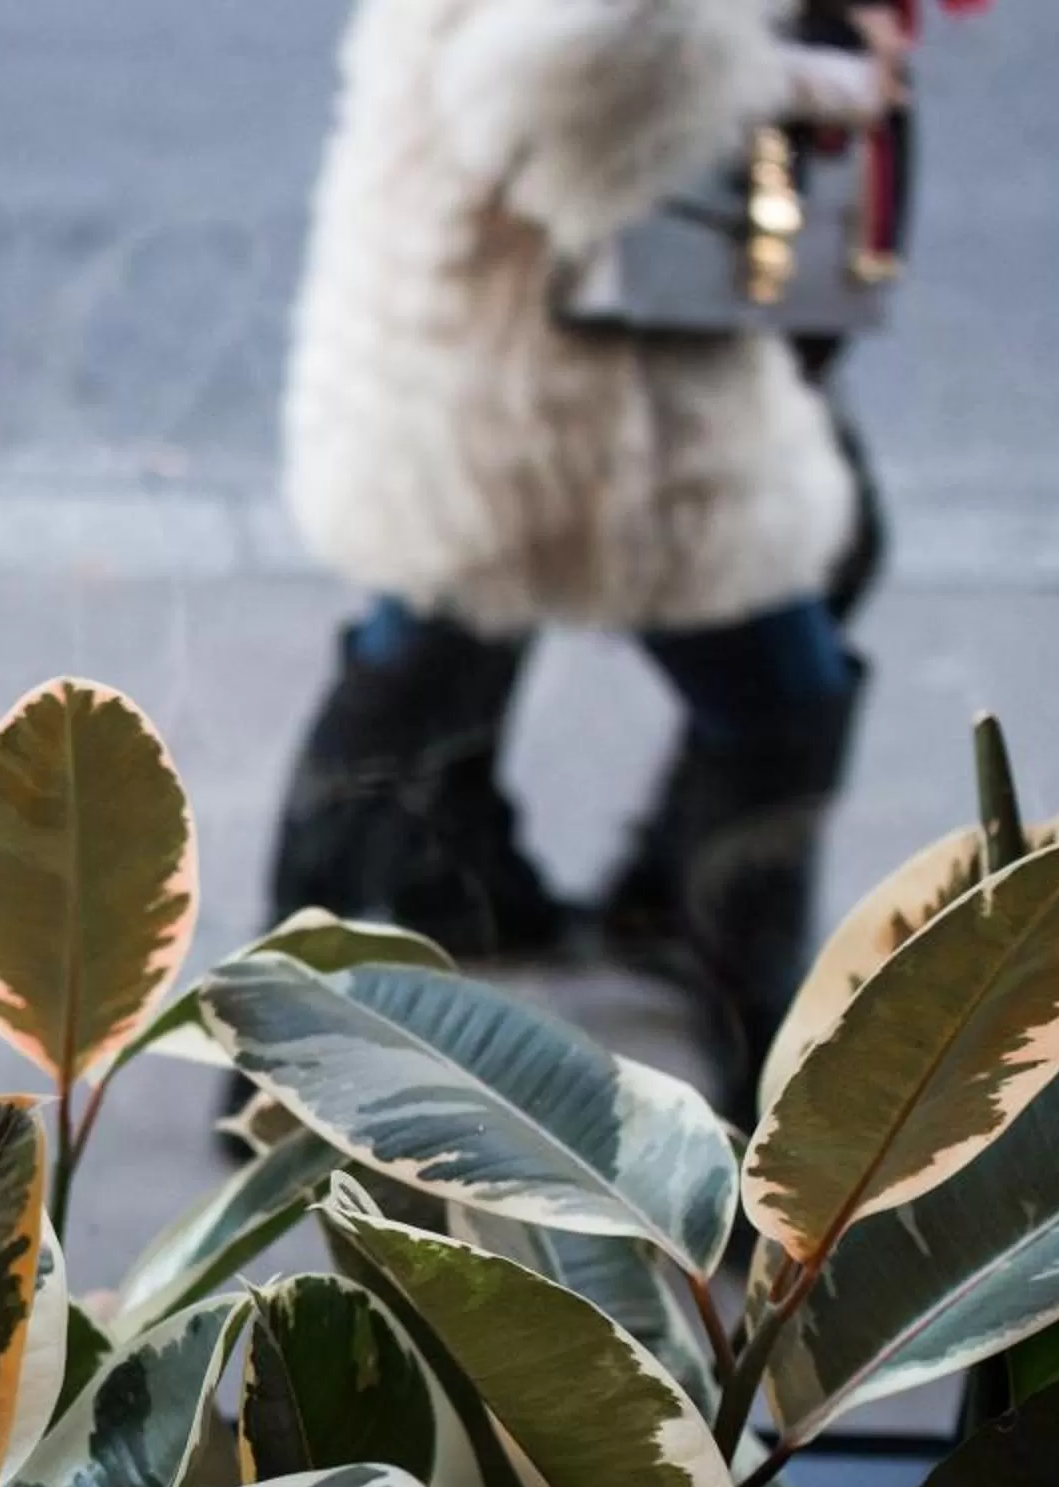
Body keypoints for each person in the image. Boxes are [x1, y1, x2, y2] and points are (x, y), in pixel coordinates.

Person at [270, 0, 913, 1118]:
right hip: (571, 374)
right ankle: (758, 1039)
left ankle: (290, 1029)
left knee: (424, 644)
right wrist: (819, 80)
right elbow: (578, 77)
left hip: (472, 320)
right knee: (777, 690)